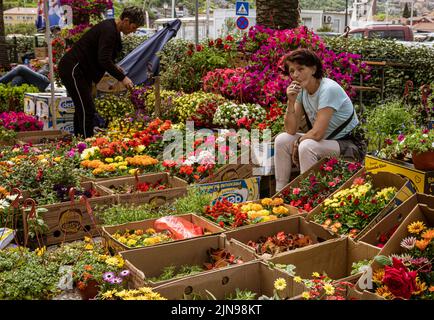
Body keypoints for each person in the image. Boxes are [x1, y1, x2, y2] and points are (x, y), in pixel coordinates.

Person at [274, 48, 365, 192]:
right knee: (282, 139)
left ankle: (309, 196)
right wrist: (290, 102)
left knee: (307, 146)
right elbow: (290, 130)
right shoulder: (302, 90)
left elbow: (317, 134)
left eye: (300, 69)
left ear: (313, 69)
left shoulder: (328, 89)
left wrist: (298, 142)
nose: (295, 75)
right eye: (291, 71)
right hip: (327, 142)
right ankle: (280, 193)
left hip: (350, 145)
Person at [58, 6, 144, 138]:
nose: (133, 31)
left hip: (80, 70)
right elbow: (103, 59)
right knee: (87, 109)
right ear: (126, 20)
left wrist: (114, 67)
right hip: (73, 68)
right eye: (133, 27)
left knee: (82, 108)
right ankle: (87, 144)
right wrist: (123, 78)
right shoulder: (109, 30)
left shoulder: (111, 29)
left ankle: (79, 142)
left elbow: (102, 55)